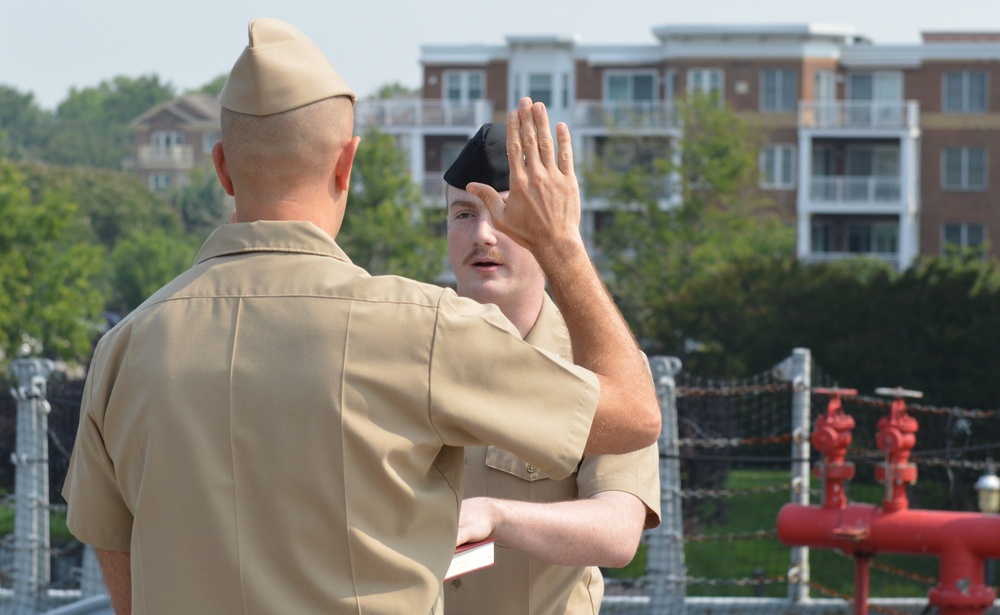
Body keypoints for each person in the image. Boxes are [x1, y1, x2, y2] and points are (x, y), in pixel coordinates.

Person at [61, 17, 660, 615]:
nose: (484, 236)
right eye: (462, 215)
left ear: (221, 167)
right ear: (346, 164)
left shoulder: (123, 350)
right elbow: (634, 416)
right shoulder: (417, 331)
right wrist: (562, 244)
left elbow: (125, 578)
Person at [441, 124, 662, 615]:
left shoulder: (602, 371)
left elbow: (618, 530)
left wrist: (494, 516)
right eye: (463, 213)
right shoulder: (404, 347)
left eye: (505, 213)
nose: (482, 234)